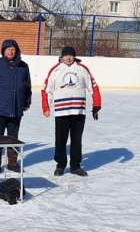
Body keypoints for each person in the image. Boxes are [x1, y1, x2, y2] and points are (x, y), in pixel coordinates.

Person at [42, 46, 102, 177]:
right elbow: (46, 90)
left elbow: (94, 87)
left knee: (76, 140)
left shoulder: (82, 69)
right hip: (62, 112)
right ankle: (60, 165)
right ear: (61, 57)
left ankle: (75, 166)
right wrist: (46, 107)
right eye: (66, 55)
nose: (68, 58)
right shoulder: (56, 70)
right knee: (60, 140)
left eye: (71, 55)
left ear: (74, 56)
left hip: (78, 111)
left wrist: (97, 104)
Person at [0, 39, 32, 174]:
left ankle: (12, 162)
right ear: (3, 50)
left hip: (16, 109)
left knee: (13, 137)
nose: (11, 51)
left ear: (16, 51)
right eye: (8, 49)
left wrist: (27, 102)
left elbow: (27, 86)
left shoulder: (23, 66)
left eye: (13, 49)